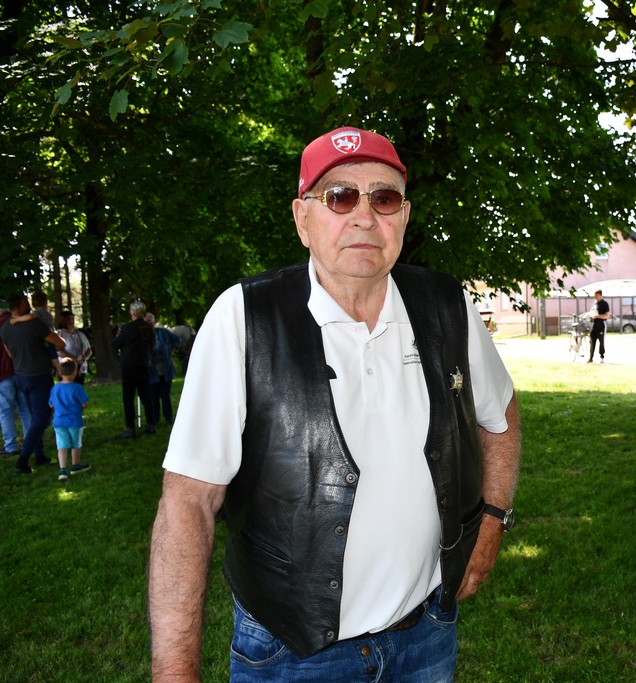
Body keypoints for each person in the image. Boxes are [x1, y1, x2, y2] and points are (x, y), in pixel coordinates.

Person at [148, 126, 521, 682]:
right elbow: (189, 502)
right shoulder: (244, 318)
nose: (364, 216)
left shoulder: (447, 305)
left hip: (426, 639)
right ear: (303, 219)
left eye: (384, 198)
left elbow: (501, 417)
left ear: (404, 216)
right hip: (292, 654)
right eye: (340, 196)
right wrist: (175, 672)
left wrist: (491, 522)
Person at [1, 292, 66, 474]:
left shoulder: (5, 328)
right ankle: (23, 459)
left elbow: (10, 354)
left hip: (21, 376)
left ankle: (40, 455)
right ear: (21, 303)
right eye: (26, 302)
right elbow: (60, 343)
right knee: (42, 417)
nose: (29, 304)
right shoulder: (34, 324)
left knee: (33, 415)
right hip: (38, 376)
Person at [112, 301, 157, 438]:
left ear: (132, 313)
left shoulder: (127, 328)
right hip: (143, 364)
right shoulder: (149, 328)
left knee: (128, 397)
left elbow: (116, 344)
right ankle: (151, 423)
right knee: (146, 395)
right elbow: (152, 345)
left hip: (129, 366)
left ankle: (130, 428)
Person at [49, 358, 90, 482]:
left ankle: (62, 470)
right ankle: (75, 466)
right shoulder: (77, 388)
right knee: (76, 444)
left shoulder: (55, 388)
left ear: (60, 373)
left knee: (61, 446)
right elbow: (84, 404)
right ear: (75, 372)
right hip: (74, 421)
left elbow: (51, 404)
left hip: (59, 422)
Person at [0, 301, 32, 456]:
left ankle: (11, 446)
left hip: (2, 374)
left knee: (5, 411)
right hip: (19, 369)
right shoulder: (13, 322)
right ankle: (31, 441)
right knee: (24, 407)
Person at [145, 312, 181, 426]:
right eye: (146, 322)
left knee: (165, 396)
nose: (149, 324)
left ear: (154, 322)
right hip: (151, 372)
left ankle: (169, 418)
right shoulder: (142, 336)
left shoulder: (162, 333)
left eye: (150, 321)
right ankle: (155, 420)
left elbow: (177, 340)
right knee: (153, 397)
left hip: (165, 370)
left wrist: (171, 350)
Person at [55, 310, 93, 385]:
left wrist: (83, 357)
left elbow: (89, 349)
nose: (71, 321)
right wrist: (74, 359)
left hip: (81, 368)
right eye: (69, 319)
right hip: (67, 369)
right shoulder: (60, 334)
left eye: (72, 319)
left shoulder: (80, 334)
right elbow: (59, 351)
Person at [587, 289, 611, 363]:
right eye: (595, 296)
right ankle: (591, 358)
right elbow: (592, 312)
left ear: (600, 295)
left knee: (601, 342)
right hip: (594, 325)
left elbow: (607, 316)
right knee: (592, 342)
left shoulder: (604, 304)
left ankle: (602, 357)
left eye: (597, 296)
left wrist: (597, 316)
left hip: (601, 325)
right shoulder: (595, 304)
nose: (595, 297)